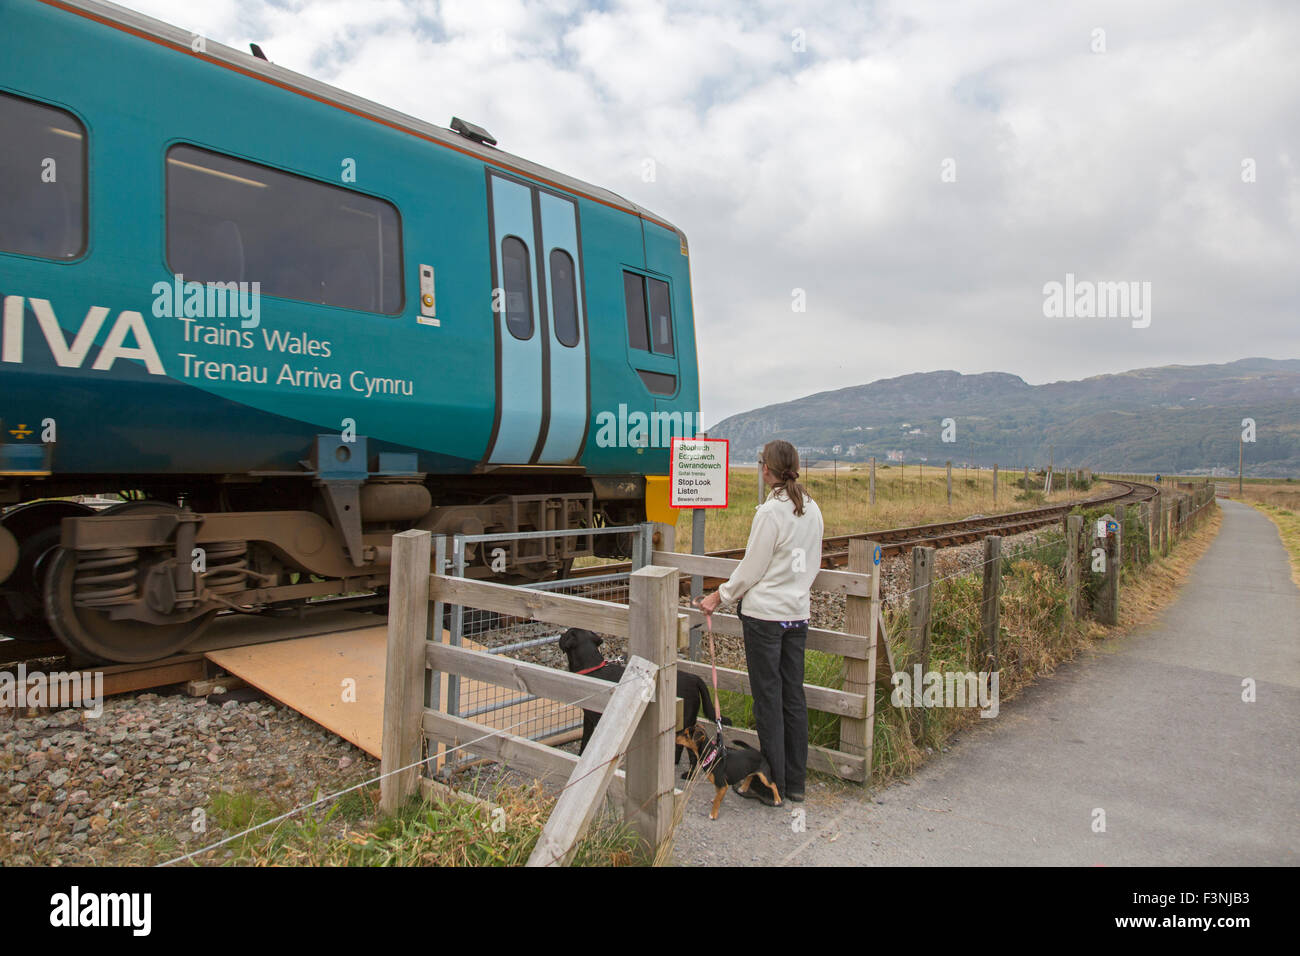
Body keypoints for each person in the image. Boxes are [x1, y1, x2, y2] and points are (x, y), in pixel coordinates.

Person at [694, 439, 824, 804]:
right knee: (793, 697)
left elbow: (752, 567)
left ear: (767, 470)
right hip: (797, 615)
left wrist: (719, 596)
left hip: (765, 616)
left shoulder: (770, 513)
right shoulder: (812, 509)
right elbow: (812, 562)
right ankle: (795, 783)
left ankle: (773, 786)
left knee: (768, 700)